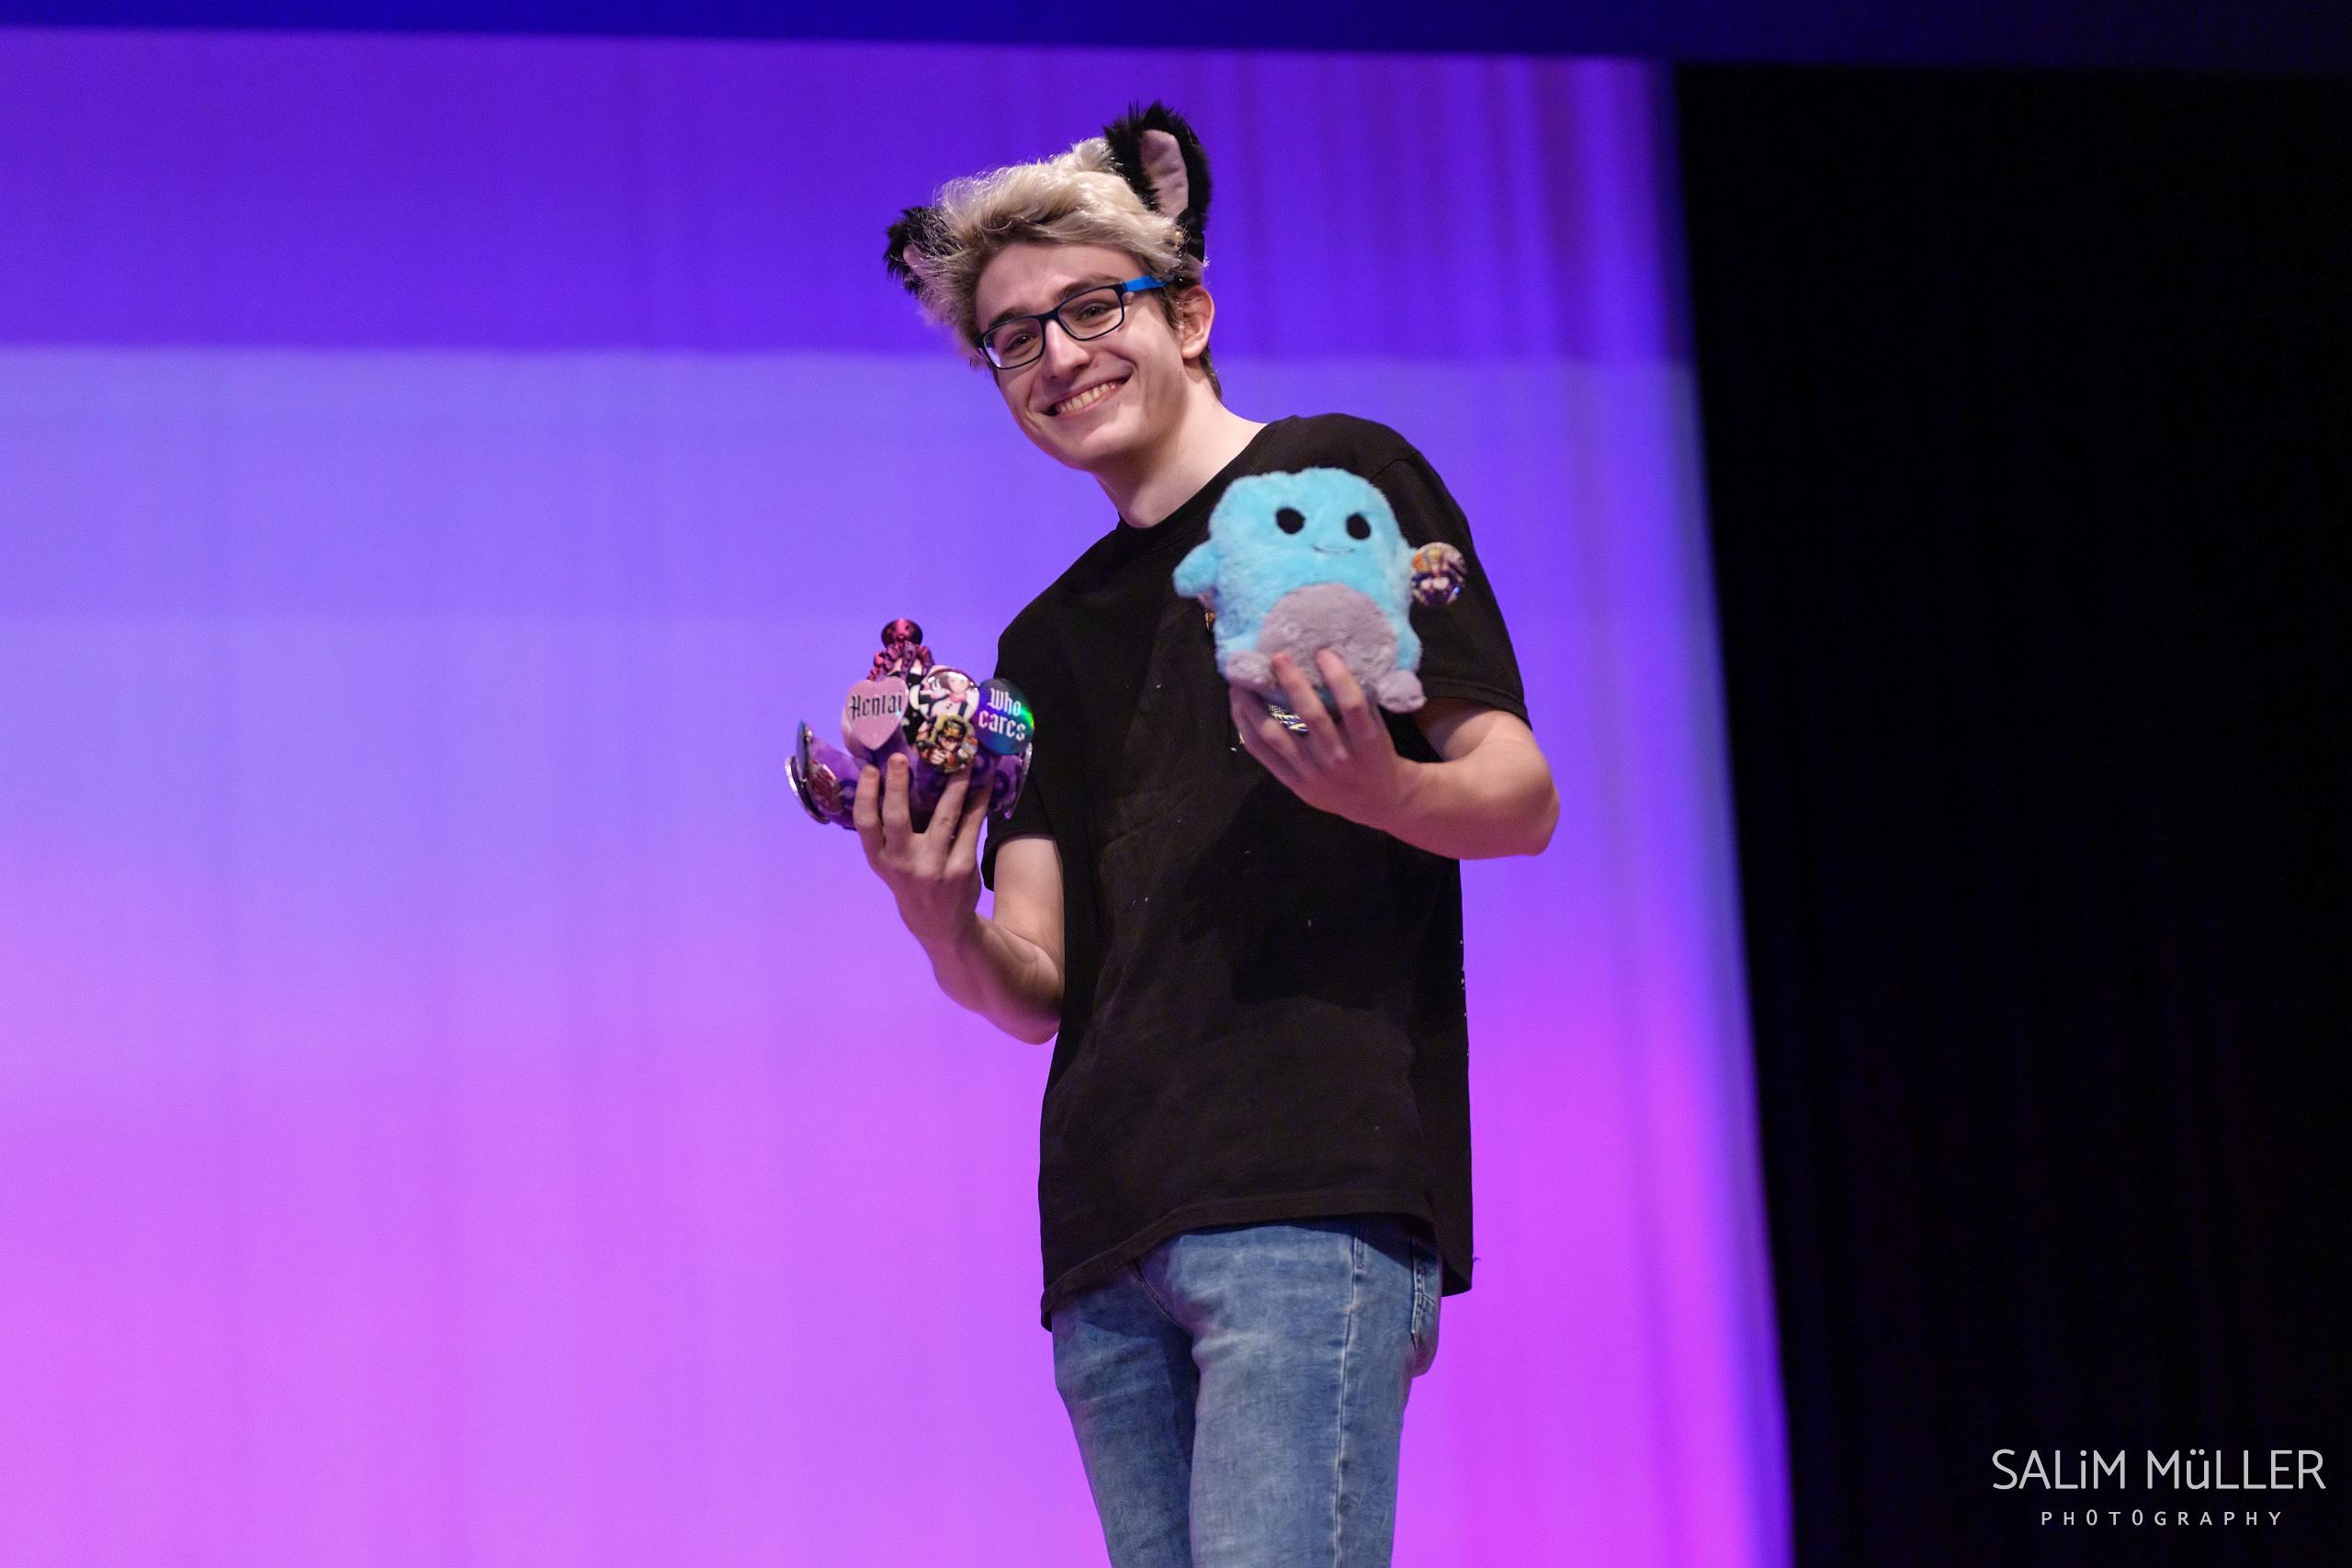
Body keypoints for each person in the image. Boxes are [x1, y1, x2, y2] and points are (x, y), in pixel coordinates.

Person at [860, 104, 1558, 1568]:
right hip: (1104, 1233)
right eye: (1012, 339)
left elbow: (1517, 794)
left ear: (1187, 313)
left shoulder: (1337, 478)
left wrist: (1384, 795)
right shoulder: (1043, 641)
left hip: (1304, 1184)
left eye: (1090, 308)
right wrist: (934, 916)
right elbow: (1035, 983)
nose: (1057, 357)